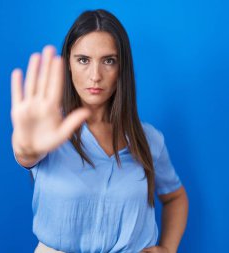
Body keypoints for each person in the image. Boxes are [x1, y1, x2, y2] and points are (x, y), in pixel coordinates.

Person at [10, 9, 189, 253]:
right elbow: (26, 152)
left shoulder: (149, 139)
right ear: (69, 64)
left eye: (108, 61)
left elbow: (175, 197)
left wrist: (167, 249)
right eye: (83, 60)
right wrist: (26, 147)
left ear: (121, 68)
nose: (95, 75)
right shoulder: (50, 131)